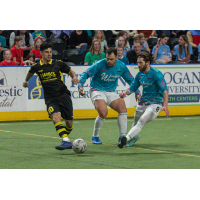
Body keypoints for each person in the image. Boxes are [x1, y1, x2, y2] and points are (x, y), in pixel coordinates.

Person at [22, 42, 79, 150]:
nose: (49, 54)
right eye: (47, 52)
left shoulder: (58, 63)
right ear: (41, 53)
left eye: (50, 52)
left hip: (63, 95)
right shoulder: (37, 66)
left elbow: (71, 71)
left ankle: (64, 136)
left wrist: (75, 77)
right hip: (50, 98)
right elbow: (30, 72)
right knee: (55, 117)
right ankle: (66, 141)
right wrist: (25, 81)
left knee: (69, 123)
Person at [78, 48, 140, 144]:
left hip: (111, 92)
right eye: (107, 59)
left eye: (111, 59)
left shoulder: (121, 66)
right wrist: (80, 86)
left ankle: (122, 137)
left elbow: (132, 80)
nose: (109, 61)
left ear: (116, 57)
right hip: (96, 90)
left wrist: (137, 92)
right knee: (103, 113)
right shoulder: (99, 64)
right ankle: (95, 136)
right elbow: (86, 73)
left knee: (123, 108)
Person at [118, 51, 169, 149]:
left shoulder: (156, 74)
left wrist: (165, 105)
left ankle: (126, 138)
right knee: (135, 123)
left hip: (155, 104)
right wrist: (125, 93)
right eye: (138, 62)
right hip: (142, 102)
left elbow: (165, 90)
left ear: (148, 63)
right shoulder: (139, 75)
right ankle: (134, 137)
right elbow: (133, 87)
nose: (138, 65)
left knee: (141, 121)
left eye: (141, 63)